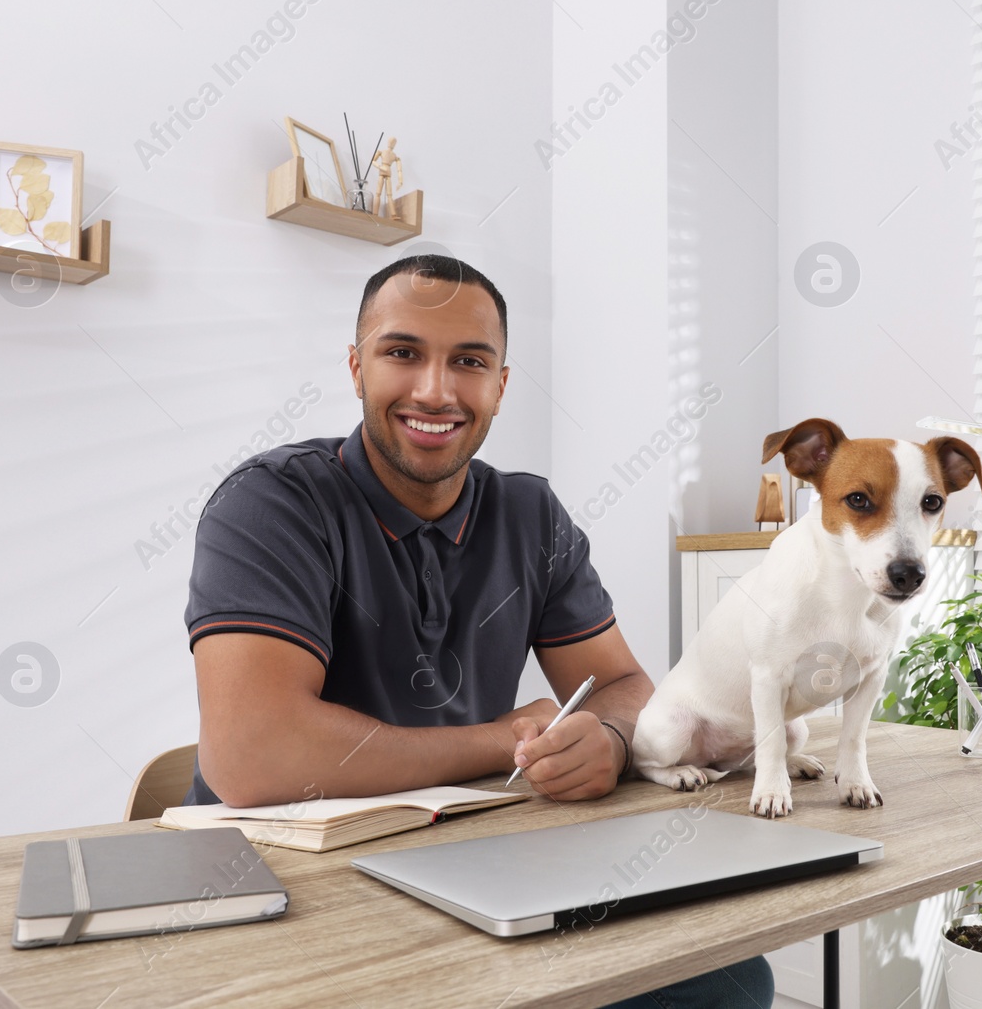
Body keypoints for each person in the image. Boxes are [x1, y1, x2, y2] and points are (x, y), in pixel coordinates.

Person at [182, 254, 773, 1008]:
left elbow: (624, 686)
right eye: (403, 353)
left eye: (468, 361)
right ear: (357, 368)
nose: (435, 389)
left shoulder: (531, 516)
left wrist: (614, 740)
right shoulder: (270, 504)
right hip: (272, 889)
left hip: (463, 869)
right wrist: (505, 739)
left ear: (499, 384)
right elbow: (251, 754)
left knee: (729, 985)